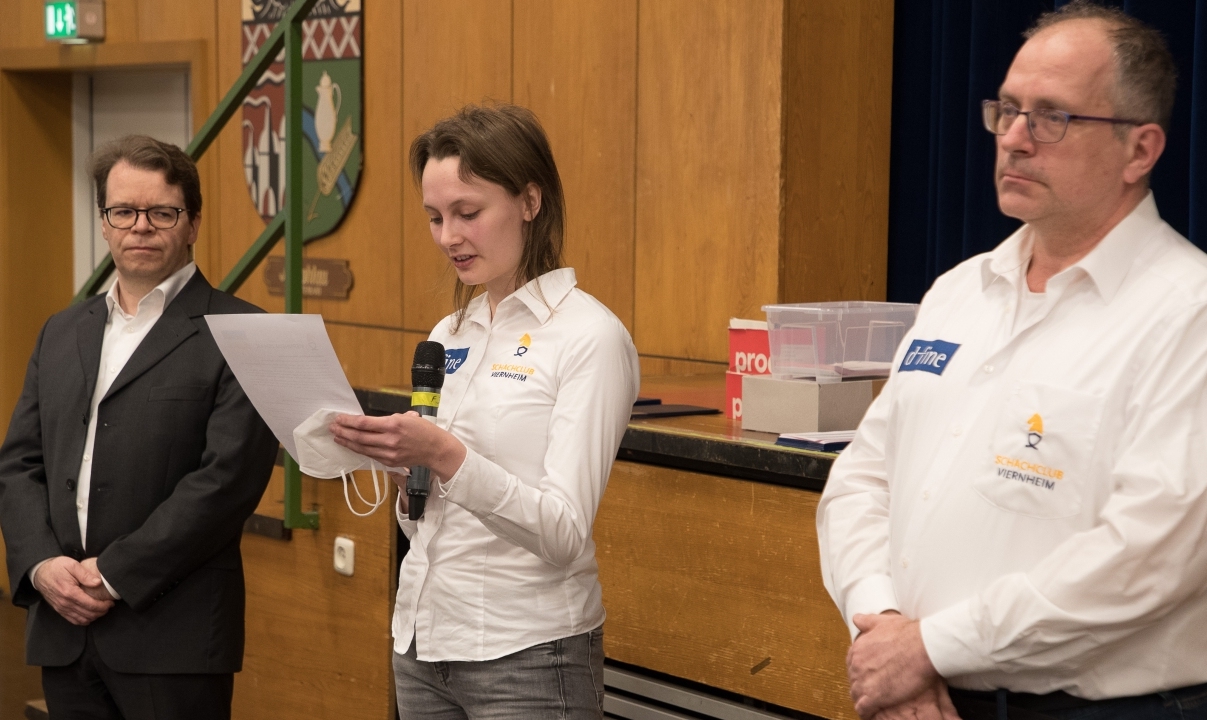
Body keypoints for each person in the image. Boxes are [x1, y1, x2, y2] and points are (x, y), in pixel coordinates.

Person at [818, 4, 1207, 720]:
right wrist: (881, 629)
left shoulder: (1188, 314)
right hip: (918, 694)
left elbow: (1147, 557)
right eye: (1007, 110)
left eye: (1053, 116)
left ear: (1140, 150)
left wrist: (928, 648)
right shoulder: (957, 292)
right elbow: (861, 481)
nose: (1016, 140)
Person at [330, 104, 639, 720]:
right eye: (435, 217)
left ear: (530, 201)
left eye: (468, 213)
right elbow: (431, 519)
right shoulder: (450, 331)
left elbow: (562, 531)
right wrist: (403, 473)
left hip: (527, 652)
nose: (448, 236)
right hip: (422, 641)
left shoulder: (590, 336)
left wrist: (444, 456)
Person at [0, 135, 278, 719]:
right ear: (104, 222)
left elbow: (225, 483)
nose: (140, 227)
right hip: (63, 626)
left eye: (162, 213)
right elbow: (21, 463)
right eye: (123, 211)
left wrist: (114, 574)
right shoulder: (61, 330)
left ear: (193, 222)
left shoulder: (247, 332)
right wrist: (42, 565)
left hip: (172, 636)